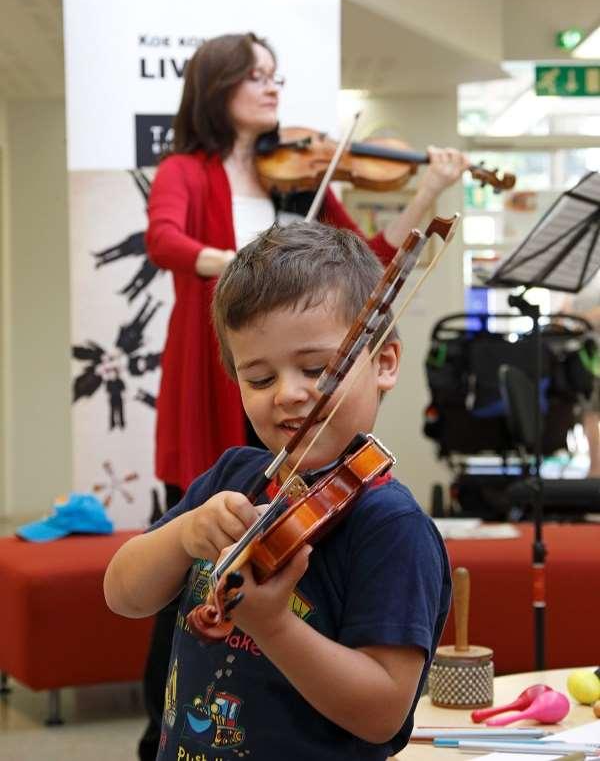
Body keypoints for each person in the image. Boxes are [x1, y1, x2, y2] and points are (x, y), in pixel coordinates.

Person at [142, 30, 465, 761]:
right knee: (188, 575)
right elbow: (165, 242)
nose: (272, 89)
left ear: (379, 363)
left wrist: (427, 191)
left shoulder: (387, 527)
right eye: (254, 77)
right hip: (217, 341)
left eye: (276, 75)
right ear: (214, 87)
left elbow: (377, 268)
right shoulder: (187, 171)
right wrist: (247, 267)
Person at [105, 220, 452, 761]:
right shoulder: (231, 478)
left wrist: (273, 625)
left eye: (317, 369)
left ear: (384, 362)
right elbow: (123, 594)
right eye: (260, 379)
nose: (289, 395)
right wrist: (184, 534)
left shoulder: (389, 524)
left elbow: (383, 713)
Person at [559, 272, 600, 476]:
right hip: (582, 356)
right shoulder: (578, 279)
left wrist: (579, 319)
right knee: (589, 412)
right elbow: (564, 312)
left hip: (595, 352)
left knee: (592, 412)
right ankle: (595, 468)